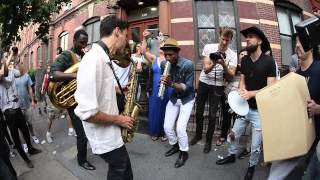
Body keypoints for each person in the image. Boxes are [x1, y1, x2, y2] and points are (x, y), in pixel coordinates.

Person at [74, 16, 133, 180]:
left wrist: (116, 89)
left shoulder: (103, 58)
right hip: (104, 137)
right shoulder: (94, 59)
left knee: (122, 172)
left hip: (109, 134)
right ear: (116, 32)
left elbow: (98, 87)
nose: (126, 41)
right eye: (125, 36)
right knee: (123, 173)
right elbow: (88, 113)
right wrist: (119, 120)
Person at [216, 26, 277, 180]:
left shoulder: (269, 62)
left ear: (260, 41)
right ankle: (231, 155)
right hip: (244, 107)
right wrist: (242, 91)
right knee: (233, 134)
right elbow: (243, 80)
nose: (247, 39)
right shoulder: (244, 60)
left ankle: (251, 166)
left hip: (260, 111)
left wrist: (250, 93)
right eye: (246, 37)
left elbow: (271, 89)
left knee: (255, 145)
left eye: (251, 37)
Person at [267, 34, 320, 180]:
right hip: (296, 138)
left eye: (301, 42)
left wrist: (318, 109)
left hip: (316, 142)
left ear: (312, 45)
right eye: (296, 42)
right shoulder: (295, 75)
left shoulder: (319, 69)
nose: (297, 45)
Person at [49, 29, 95, 170]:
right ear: (74, 41)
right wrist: (76, 76)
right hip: (73, 101)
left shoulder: (84, 55)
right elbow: (53, 75)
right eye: (81, 43)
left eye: (85, 43)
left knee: (89, 129)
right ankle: (81, 160)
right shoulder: (66, 55)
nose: (83, 46)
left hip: (85, 98)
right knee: (81, 134)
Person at [189, 27, 237, 153]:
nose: (224, 42)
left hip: (218, 85)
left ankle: (208, 141)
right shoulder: (209, 47)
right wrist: (215, 62)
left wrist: (224, 64)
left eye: (227, 40)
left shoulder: (233, 55)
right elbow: (205, 69)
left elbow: (231, 75)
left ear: (231, 40)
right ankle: (198, 135)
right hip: (204, 83)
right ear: (219, 36)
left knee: (212, 115)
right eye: (223, 39)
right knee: (199, 112)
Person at [0, 49, 42, 169]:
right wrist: (10, 56)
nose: (6, 58)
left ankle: (31, 149)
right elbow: (2, 73)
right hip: (8, 112)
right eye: (4, 57)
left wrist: (18, 59)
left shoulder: (12, 71)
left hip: (17, 109)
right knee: (16, 138)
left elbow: (23, 72)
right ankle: (25, 159)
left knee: (25, 131)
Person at [160, 38, 195, 168]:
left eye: (171, 54)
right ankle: (175, 145)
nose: (168, 58)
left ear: (177, 53)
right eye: (165, 55)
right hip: (175, 98)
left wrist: (170, 83)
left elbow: (188, 88)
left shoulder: (188, 65)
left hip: (187, 99)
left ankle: (183, 152)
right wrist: (162, 83)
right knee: (167, 127)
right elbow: (166, 79)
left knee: (180, 128)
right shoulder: (164, 64)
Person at [141, 30, 173, 141]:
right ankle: (155, 132)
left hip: (167, 88)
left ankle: (164, 132)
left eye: (162, 45)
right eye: (159, 45)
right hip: (155, 89)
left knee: (165, 109)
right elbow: (144, 51)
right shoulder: (154, 59)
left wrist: (163, 40)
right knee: (155, 109)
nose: (160, 47)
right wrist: (144, 38)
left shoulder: (170, 60)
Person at [218, 49, 247, 147]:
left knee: (236, 119)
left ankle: (234, 138)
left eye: (245, 54)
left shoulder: (249, 68)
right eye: (241, 54)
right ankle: (222, 136)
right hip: (228, 94)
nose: (243, 55)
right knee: (226, 117)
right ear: (238, 56)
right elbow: (226, 77)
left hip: (239, 98)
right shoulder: (234, 66)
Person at [15, 60, 39, 145]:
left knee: (29, 123)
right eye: (16, 66)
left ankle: (33, 135)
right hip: (17, 106)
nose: (18, 67)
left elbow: (30, 88)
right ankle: (25, 142)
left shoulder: (26, 76)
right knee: (21, 125)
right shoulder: (13, 78)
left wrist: (32, 100)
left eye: (19, 65)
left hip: (27, 105)